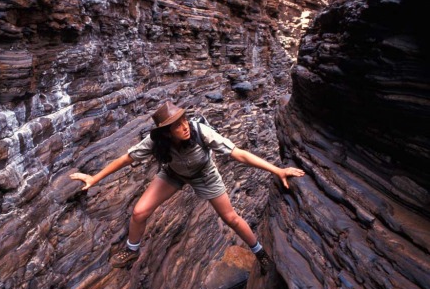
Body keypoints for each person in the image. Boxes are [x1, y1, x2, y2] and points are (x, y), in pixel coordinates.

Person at [70, 101, 305, 270]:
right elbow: (125, 159)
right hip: (174, 174)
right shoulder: (155, 142)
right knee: (139, 212)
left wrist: (278, 170)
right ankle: (131, 250)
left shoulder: (200, 131)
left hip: (205, 174)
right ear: (165, 132)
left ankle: (259, 252)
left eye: (184, 120)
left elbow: (239, 154)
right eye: (177, 125)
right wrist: (94, 179)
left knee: (231, 218)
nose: (184, 127)